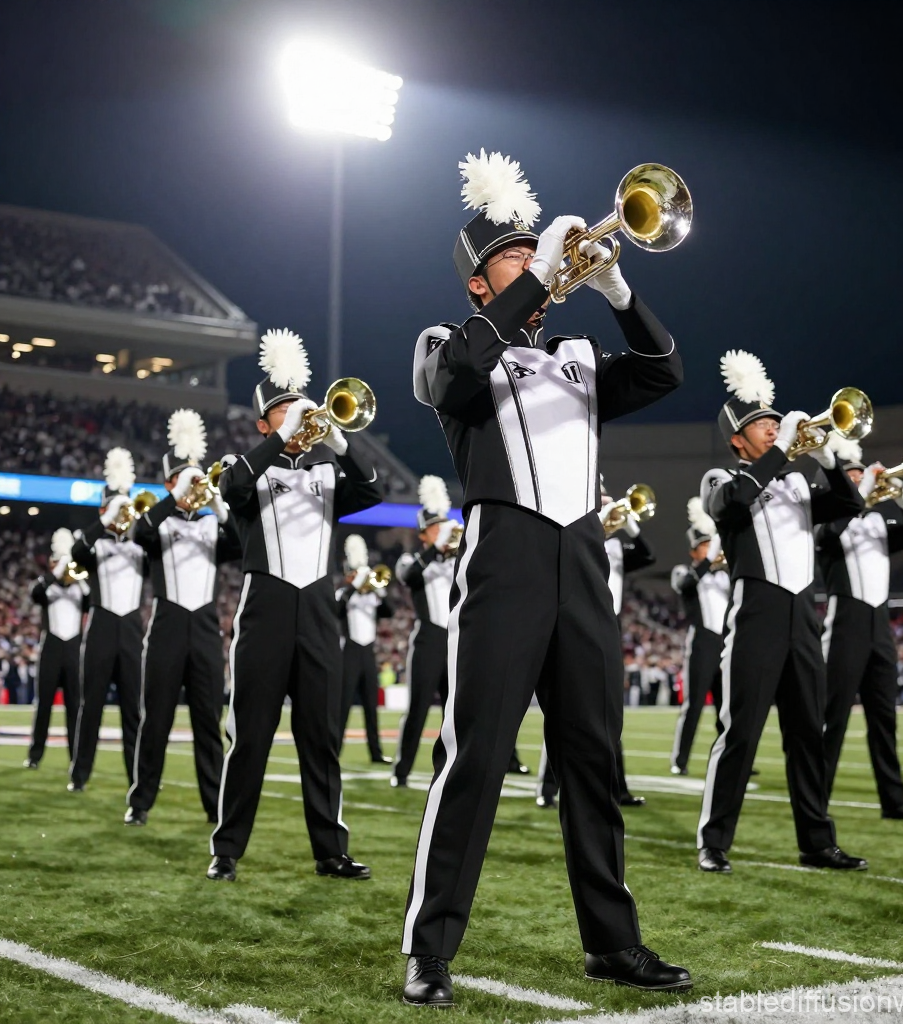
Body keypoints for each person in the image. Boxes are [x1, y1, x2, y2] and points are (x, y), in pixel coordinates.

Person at [401, 150, 689, 1007]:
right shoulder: (449, 345)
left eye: (536, 250)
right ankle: (430, 947)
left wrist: (614, 293)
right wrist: (542, 278)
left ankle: (612, 943)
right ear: (479, 284)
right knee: (477, 755)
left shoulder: (576, 352)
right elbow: (449, 382)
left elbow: (666, 369)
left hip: (583, 561)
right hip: (505, 558)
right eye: (514, 256)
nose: (534, 261)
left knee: (593, 761)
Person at [206, 328, 383, 883]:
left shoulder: (328, 474)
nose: (295, 416)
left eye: (298, 409)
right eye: (281, 411)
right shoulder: (246, 465)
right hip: (265, 610)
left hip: (318, 610)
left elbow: (374, 489)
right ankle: (227, 850)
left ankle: (330, 850)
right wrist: (279, 439)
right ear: (263, 421)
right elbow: (231, 490)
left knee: (321, 739)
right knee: (250, 736)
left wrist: (337, 438)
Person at [696, 350, 867, 874]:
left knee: (806, 733)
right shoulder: (720, 478)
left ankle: (816, 842)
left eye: (774, 422)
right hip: (757, 613)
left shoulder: (796, 482)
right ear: (736, 439)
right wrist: (785, 451)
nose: (772, 429)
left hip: (804, 613)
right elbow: (734, 504)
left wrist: (829, 459)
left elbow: (851, 506)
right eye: (761, 425)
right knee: (740, 730)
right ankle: (713, 841)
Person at [125, 410, 239, 826]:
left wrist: (218, 502)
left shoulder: (211, 525)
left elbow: (243, 546)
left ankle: (215, 805)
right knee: (156, 718)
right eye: (184, 477)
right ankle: (140, 803)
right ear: (169, 482)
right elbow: (140, 533)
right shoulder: (160, 520)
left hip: (207, 627)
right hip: (168, 624)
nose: (194, 484)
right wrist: (174, 497)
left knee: (208, 722)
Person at [815, 439, 903, 821]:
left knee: (885, 718)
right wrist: (860, 493)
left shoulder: (877, 521)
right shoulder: (825, 523)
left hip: (879, 624)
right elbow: (831, 537)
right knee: (834, 718)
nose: (861, 479)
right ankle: (817, 801)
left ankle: (894, 801)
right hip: (845, 622)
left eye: (861, 475)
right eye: (851, 476)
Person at [536, 485, 652, 808]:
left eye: (604, 496)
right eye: (597, 496)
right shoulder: (571, 531)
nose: (604, 501)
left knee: (611, 708)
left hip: (608, 622)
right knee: (563, 704)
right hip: (575, 619)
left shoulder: (614, 542)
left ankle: (619, 788)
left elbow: (647, 555)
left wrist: (628, 523)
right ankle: (547, 788)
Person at [69, 448, 147, 792]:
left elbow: (153, 536)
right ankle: (79, 774)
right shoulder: (96, 545)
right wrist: (105, 518)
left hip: (131, 628)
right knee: (92, 706)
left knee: (133, 710)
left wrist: (134, 518)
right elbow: (77, 552)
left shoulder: (140, 546)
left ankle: (137, 778)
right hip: (101, 627)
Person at [391, 476, 458, 788]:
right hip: (429, 638)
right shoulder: (412, 559)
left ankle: (445, 770)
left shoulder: (457, 560)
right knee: (417, 708)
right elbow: (409, 575)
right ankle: (401, 771)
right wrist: (435, 549)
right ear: (423, 534)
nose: (442, 531)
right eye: (435, 527)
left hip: (455, 640)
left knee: (453, 711)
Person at [669, 499, 729, 776]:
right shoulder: (685, 571)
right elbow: (685, 584)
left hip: (725, 642)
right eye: (705, 545)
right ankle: (680, 760)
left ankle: (728, 757)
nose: (711, 550)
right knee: (693, 705)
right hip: (702, 642)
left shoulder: (723, 575)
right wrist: (708, 561)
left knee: (725, 708)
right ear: (695, 550)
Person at [24, 529, 87, 769]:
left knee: (74, 707)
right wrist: (58, 570)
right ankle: (35, 755)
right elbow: (35, 592)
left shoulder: (80, 590)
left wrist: (78, 575)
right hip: (50, 648)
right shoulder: (47, 588)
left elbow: (93, 600)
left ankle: (76, 757)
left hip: (72, 649)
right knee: (44, 705)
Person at [337, 533, 393, 764]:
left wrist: (377, 590)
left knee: (372, 706)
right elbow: (336, 609)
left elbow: (388, 612)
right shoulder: (343, 594)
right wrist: (354, 586)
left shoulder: (372, 596)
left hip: (368, 652)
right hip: (349, 651)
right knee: (343, 706)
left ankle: (376, 753)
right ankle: (335, 750)